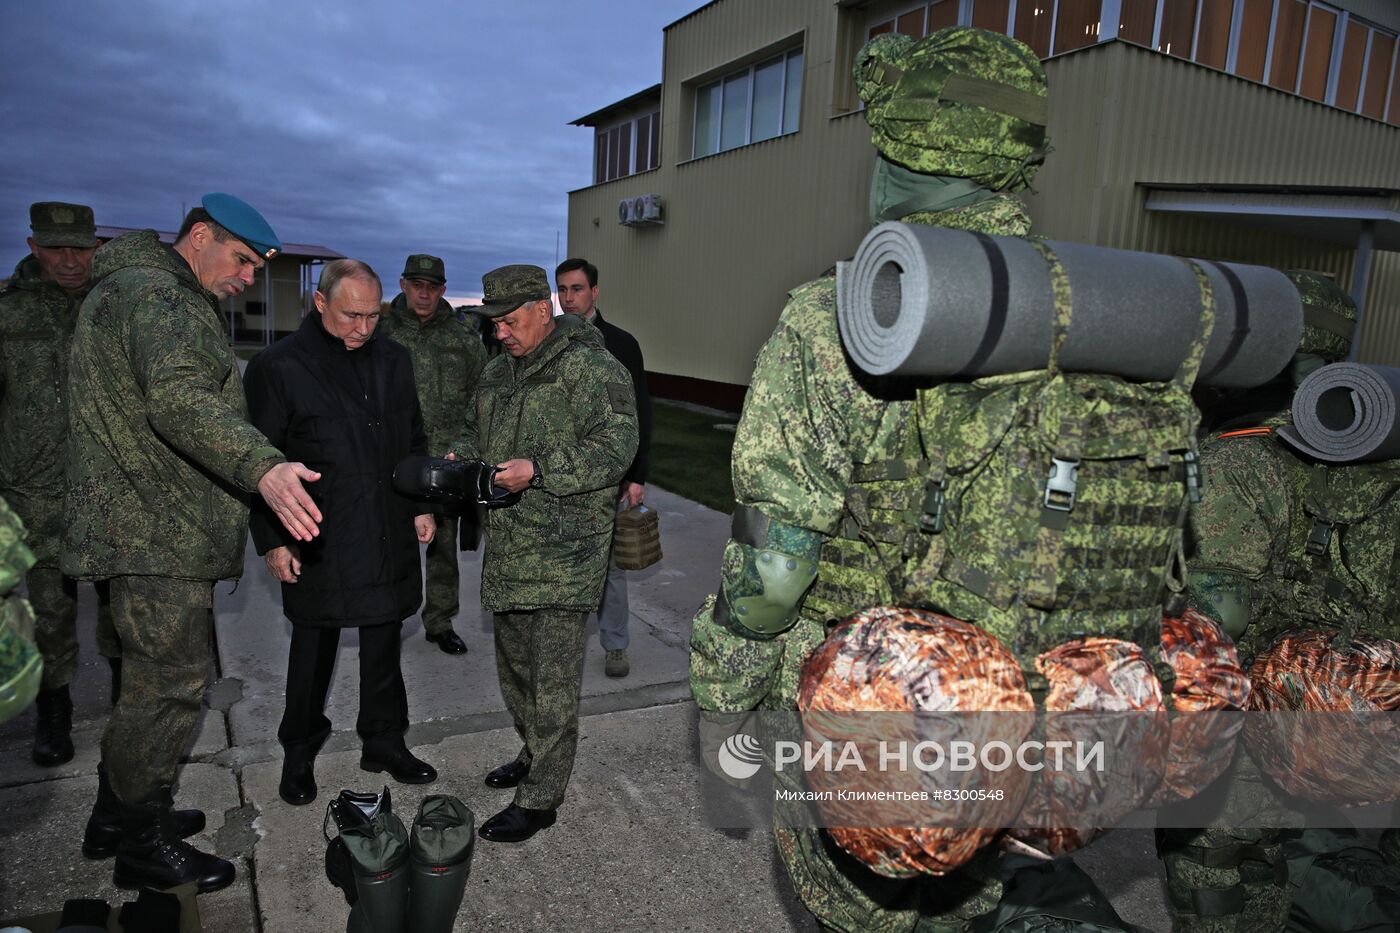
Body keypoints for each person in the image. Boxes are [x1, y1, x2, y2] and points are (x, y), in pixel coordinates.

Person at [687, 28, 1096, 931]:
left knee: (862, 914)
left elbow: (775, 571)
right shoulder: (1099, 311)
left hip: (875, 720)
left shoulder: (845, 316)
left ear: (895, 154)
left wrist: (724, 710)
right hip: (1036, 722)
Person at [64, 193, 323, 894]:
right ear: (200, 236)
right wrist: (261, 465)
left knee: (141, 684)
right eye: (241, 260)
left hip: (137, 521)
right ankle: (142, 845)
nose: (247, 277)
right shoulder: (161, 298)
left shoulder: (139, 287)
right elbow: (179, 398)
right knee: (170, 688)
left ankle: (117, 815)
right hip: (156, 529)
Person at [1158, 272, 1400, 932]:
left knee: (1220, 856)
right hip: (1376, 715)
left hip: (1277, 714)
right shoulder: (1379, 438)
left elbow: (1218, 621)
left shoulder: (1244, 458)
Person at [449, 264, 637, 843]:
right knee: (516, 673)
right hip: (509, 547)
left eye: (508, 321)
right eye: (493, 322)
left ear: (541, 309)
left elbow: (617, 446)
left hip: (565, 551)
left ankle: (541, 799)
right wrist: (459, 457)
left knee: (552, 683)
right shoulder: (499, 372)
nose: (499, 332)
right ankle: (534, 754)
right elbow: (472, 429)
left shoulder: (591, 366)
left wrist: (541, 470)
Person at [245, 259, 439, 807]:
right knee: (313, 647)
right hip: (316, 532)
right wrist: (273, 540)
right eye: (352, 315)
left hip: (385, 525)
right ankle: (300, 749)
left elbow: (414, 436)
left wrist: (422, 503)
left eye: (373, 316)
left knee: (384, 643)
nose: (364, 327)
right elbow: (256, 461)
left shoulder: (395, 360)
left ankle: (384, 742)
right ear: (320, 302)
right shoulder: (278, 367)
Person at [0, 202, 119, 766]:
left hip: (112, 487)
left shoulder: (114, 305)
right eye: (56, 249)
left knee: (125, 607)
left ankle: (128, 713)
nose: (70, 261)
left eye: (81, 249)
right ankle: (54, 713)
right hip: (35, 490)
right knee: (51, 611)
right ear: (32, 247)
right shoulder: (9, 314)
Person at [379, 254, 487, 656]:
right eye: (417, 285)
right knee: (388, 539)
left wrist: (466, 447)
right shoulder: (381, 332)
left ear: (442, 290)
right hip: (391, 456)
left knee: (443, 545)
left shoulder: (463, 340)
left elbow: (482, 398)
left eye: (433, 287)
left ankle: (440, 621)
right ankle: (386, 614)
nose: (424, 294)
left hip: (445, 459)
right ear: (404, 284)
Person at [555, 257, 653, 678]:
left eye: (577, 288)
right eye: (562, 289)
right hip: (558, 478)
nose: (568, 297)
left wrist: (637, 474)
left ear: (595, 292)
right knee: (562, 565)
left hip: (608, 479)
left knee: (611, 566)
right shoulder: (548, 342)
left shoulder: (621, 344)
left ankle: (614, 645)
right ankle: (561, 645)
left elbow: (639, 415)